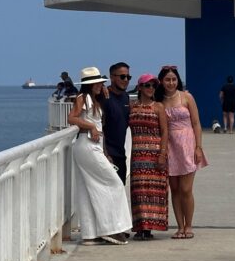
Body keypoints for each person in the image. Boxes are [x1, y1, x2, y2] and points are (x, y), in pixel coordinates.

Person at [67, 67, 133, 245]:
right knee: (114, 183)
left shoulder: (94, 98)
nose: (101, 85)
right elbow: (71, 118)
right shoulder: (84, 98)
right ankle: (111, 229)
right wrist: (91, 127)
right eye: (98, 82)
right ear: (90, 85)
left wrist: (103, 149)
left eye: (101, 82)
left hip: (92, 146)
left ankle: (90, 234)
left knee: (87, 189)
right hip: (86, 145)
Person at [158, 66, 207, 239]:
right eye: (167, 80)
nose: (171, 83)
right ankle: (179, 226)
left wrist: (198, 147)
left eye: (173, 79)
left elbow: (196, 123)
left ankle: (189, 225)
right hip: (169, 145)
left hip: (187, 144)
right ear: (161, 82)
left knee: (186, 189)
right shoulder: (159, 101)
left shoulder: (186, 97)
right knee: (175, 189)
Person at [129, 74, 169, 239]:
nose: (151, 88)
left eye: (153, 85)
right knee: (139, 191)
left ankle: (148, 228)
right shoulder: (132, 107)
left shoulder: (158, 107)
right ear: (139, 88)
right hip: (137, 154)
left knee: (153, 191)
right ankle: (139, 227)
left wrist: (162, 153)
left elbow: (165, 131)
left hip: (154, 154)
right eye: (147, 85)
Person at [102, 62, 132, 185]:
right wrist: (105, 154)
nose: (126, 80)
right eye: (122, 77)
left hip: (120, 155)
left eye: (128, 77)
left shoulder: (126, 97)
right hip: (107, 156)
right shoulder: (103, 96)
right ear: (112, 77)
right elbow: (100, 127)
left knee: (119, 194)